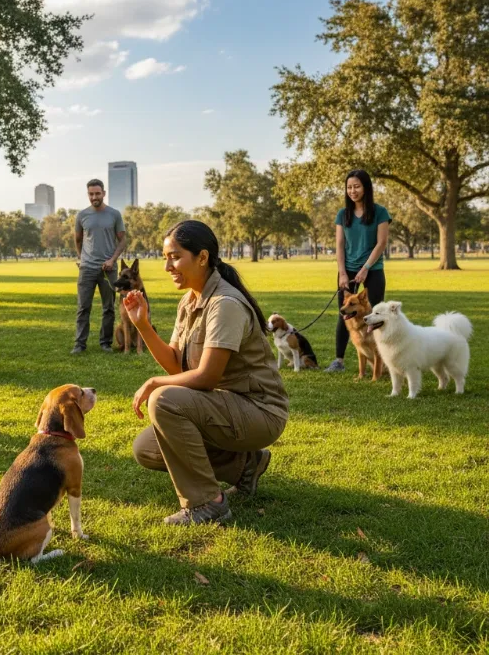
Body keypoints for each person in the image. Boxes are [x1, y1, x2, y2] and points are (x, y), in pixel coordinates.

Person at [124, 220, 288, 526]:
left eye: (174, 256)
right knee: (146, 449)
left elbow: (206, 377)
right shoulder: (189, 301)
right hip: (224, 405)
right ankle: (245, 466)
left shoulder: (224, 304)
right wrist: (143, 325)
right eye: (165, 258)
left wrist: (154, 382)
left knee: (162, 399)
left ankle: (207, 503)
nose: (167, 266)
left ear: (202, 257)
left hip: (259, 410)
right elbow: (177, 364)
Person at [325, 170, 391, 373]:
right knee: (344, 313)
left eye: (357, 186)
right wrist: (342, 272)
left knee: (377, 314)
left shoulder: (380, 212)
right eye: (349, 187)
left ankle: (383, 359)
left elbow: (381, 243)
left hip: (373, 267)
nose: (352, 191)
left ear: (366, 188)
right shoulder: (342, 214)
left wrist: (366, 268)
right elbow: (339, 244)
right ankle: (339, 361)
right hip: (348, 268)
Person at [72, 179, 126, 354]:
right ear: (88, 194)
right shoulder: (82, 216)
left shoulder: (114, 214)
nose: (94, 197)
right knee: (83, 308)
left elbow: (122, 240)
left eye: (97, 193)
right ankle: (80, 345)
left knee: (108, 308)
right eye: (91, 194)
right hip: (87, 269)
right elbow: (78, 240)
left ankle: (105, 343)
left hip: (108, 269)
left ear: (104, 193)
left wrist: (112, 260)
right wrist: (82, 259)